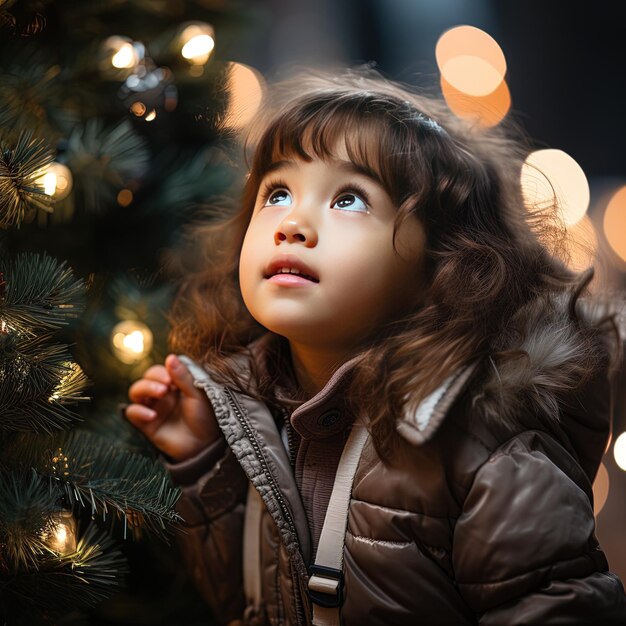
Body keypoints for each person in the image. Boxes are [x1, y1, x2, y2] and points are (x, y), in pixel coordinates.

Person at [125, 67, 626, 625]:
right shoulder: (254, 405)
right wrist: (205, 465)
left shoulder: (486, 445)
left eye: (349, 200)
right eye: (278, 192)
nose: (293, 223)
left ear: (445, 264)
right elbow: (253, 604)